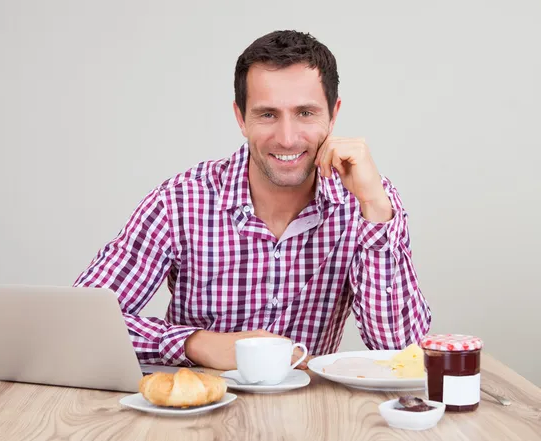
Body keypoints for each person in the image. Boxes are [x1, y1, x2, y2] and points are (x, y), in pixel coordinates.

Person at [73, 30, 431, 370]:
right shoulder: (180, 201)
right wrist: (197, 344)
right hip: (195, 416)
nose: (288, 138)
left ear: (333, 115)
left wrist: (376, 209)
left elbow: (404, 348)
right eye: (267, 114)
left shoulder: (367, 203)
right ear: (241, 118)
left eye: (305, 113)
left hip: (310, 417)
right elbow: (80, 324)